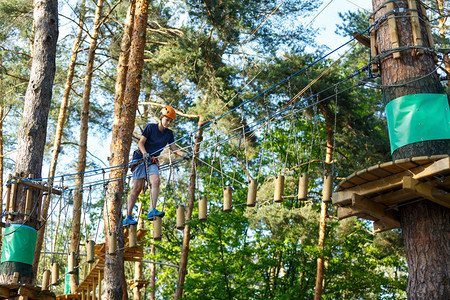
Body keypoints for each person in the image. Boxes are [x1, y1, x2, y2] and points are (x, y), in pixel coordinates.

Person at [123, 105, 188, 226]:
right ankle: (128, 216)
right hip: (140, 159)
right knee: (137, 188)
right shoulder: (150, 127)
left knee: (156, 180)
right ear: (161, 117)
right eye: (166, 119)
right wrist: (145, 154)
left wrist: (183, 154)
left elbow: (174, 149)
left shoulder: (169, 134)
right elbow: (140, 143)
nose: (168, 123)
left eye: (170, 121)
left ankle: (152, 210)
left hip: (152, 160)